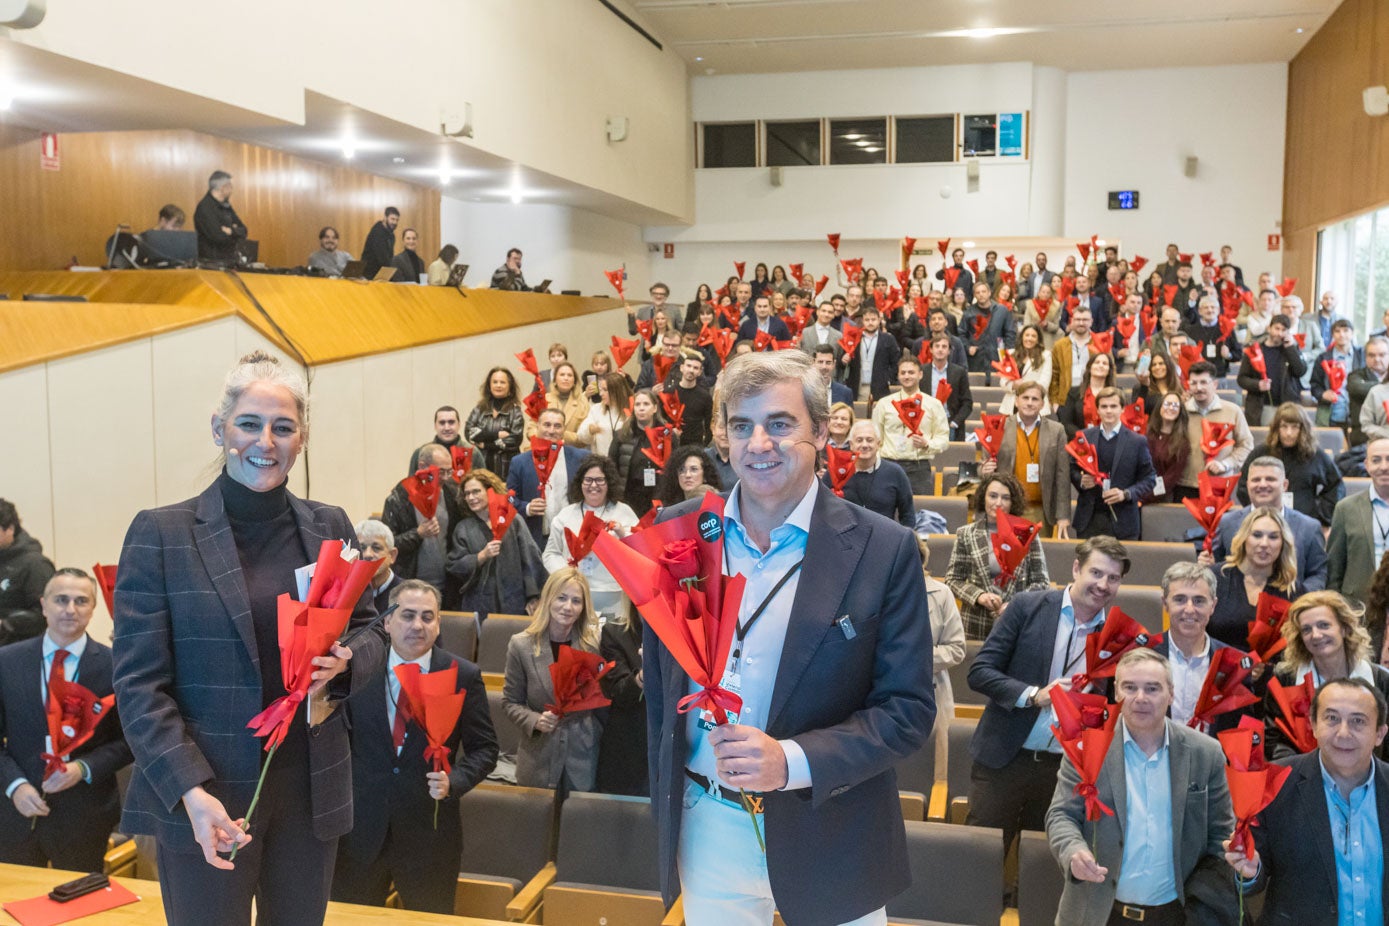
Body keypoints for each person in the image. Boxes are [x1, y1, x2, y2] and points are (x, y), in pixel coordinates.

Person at [644, 350, 935, 925]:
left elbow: (907, 711)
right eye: (741, 426)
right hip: (708, 829)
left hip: (832, 827)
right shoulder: (676, 533)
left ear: (822, 432)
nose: (759, 444)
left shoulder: (883, 548)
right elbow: (660, 679)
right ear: (722, 438)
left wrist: (790, 761)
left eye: (780, 424)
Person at [111, 351, 385, 926]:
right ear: (220, 428)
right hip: (206, 796)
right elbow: (139, 687)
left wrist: (345, 664)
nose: (266, 440)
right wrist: (190, 791)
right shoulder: (161, 534)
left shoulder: (328, 524)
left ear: (301, 438)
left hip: (310, 792)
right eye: (250, 424)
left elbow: (371, 630)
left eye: (283, 428)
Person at [332, 580, 497, 914]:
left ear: (438, 624)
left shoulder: (462, 675)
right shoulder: (357, 671)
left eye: (427, 617)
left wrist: (456, 781)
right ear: (388, 622)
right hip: (361, 833)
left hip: (430, 836)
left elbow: (485, 749)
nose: (417, 625)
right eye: (407, 615)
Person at [967, 537, 1130, 862]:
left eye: (1113, 578)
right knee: (980, 861)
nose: (1103, 585)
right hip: (1005, 758)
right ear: (1075, 568)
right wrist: (1033, 696)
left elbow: (1113, 707)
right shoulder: (1028, 607)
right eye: (1096, 573)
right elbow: (980, 671)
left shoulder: (1118, 636)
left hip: (1064, 770)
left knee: (1040, 867)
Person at [1046, 649, 1234, 926]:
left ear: (1171, 694)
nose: (1140, 698)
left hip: (1179, 915)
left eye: (1152, 688)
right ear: (1116, 692)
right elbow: (1060, 815)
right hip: (1098, 912)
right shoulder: (1086, 747)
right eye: (1129, 687)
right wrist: (1073, 850)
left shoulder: (1206, 753)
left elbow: (1221, 834)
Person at [1224, 677, 1389, 924]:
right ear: (1313, 725)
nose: (1343, 733)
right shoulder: (1274, 783)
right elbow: (1250, 878)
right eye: (1332, 718)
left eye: (1358, 721)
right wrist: (1248, 872)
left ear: (1380, 733)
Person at [0, 568, 132, 872]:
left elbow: (129, 741)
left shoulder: (116, 667)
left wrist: (83, 768)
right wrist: (15, 785)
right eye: (61, 600)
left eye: (81, 601)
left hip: (85, 814)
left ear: (93, 608)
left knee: (80, 906)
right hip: (16, 810)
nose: (70, 609)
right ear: (43, 605)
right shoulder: (7, 662)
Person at [503, 568, 605, 790]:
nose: (568, 607)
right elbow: (510, 703)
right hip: (538, 754)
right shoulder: (520, 645)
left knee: (576, 823)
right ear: (548, 598)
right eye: (561, 598)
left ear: (583, 607)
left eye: (576, 601)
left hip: (582, 755)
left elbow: (601, 703)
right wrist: (535, 720)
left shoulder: (593, 646)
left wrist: (593, 731)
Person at [1263, 591, 1389, 761]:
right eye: (1306, 629)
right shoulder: (1285, 679)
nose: (1315, 635)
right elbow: (1273, 739)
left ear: (1344, 628)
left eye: (1324, 625)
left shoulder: (1382, 681)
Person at [945, 471, 1051, 640]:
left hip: (1017, 622)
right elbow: (953, 580)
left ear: (1013, 502)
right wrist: (979, 596)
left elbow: (1042, 583)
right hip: (976, 624)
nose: (998, 503)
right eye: (993, 496)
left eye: (1005, 498)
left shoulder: (1027, 534)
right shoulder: (966, 534)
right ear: (983, 498)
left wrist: (1015, 604)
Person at [1151, 562, 1249, 732]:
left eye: (1199, 601)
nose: (1189, 609)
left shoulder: (1235, 665)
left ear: (1213, 605)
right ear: (1165, 603)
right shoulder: (1141, 656)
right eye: (1180, 599)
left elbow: (1242, 732)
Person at [541, 454, 639, 619]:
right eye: (588, 480)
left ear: (609, 483)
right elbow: (550, 553)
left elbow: (639, 552)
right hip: (574, 596)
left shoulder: (624, 513)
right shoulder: (565, 515)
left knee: (610, 642)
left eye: (600, 480)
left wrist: (622, 533)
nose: (594, 485)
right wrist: (566, 574)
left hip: (614, 595)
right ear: (580, 483)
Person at [446, 469, 544, 618]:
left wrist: (533, 596)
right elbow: (454, 566)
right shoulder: (463, 528)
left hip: (514, 601)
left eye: (476, 491)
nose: (471, 497)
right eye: (467, 494)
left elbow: (530, 559)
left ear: (490, 491)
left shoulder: (513, 520)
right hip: (479, 604)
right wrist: (480, 556)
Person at [981, 381, 1072, 537]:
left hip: (1041, 511)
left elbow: (1062, 476)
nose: (1030, 403)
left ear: (1043, 403)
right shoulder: (998, 427)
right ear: (1017, 401)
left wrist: (1063, 515)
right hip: (1006, 508)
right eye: (1025, 398)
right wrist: (983, 470)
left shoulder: (1056, 430)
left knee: (1036, 559)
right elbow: (984, 466)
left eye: (1035, 399)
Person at [1205, 506, 1299, 649]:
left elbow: (1295, 648)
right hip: (1215, 667)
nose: (1264, 544)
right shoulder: (1214, 577)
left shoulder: (1292, 589)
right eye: (1257, 535)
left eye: (1273, 537)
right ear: (1244, 538)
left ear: (1283, 543)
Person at [1237, 403, 1343, 527]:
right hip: (1265, 521)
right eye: (1284, 427)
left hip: (1304, 523)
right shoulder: (1260, 453)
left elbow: (1336, 486)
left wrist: (1321, 517)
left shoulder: (1314, 454)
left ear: (1303, 429)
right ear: (1277, 428)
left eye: (1294, 427)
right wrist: (1258, 509)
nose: (1289, 433)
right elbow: (1244, 486)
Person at [1071, 388, 1156, 541]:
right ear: (1097, 410)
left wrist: (1126, 494)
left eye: (1113, 406)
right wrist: (1082, 482)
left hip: (1123, 522)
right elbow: (1072, 469)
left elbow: (1149, 479)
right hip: (1089, 520)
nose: (1108, 411)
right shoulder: (1084, 437)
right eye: (1104, 407)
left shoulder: (1137, 441)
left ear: (1122, 409)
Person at [382, 443, 463, 599]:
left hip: (446, 585)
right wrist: (418, 534)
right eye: (441, 472)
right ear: (422, 466)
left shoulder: (451, 492)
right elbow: (388, 546)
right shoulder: (400, 497)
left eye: (449, 471)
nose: (446, 477)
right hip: (409, 584)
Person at [871, 354, 948, 496]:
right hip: (889, 464)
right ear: (898, 376)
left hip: (919, 467)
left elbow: (943, 439)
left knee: (921, 513)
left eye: (911, 372)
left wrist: (927, 443)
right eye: (903, 373)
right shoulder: (884, 404)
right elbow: (875, 437)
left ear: (920, 374)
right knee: (885, 514)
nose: (907, 376)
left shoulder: (933, 404)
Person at [1178, 362, 1254, 499]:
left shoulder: (1232, 411)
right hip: (1186, 484)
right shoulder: (1181, 412)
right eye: (1194, 383)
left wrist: (1226, 464)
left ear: (1215, 384)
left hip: (1220, 482)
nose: (1198, 388)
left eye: (1203, 382)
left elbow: (1246, 444)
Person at [1328, 437, 1389, 607]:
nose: (1384, 467)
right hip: (1357, 608)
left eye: (1388, 459)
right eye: (1376, 460)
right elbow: (1334, 570)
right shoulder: (1345, 509)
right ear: (1367, 465)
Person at [596, 596, 647, 797]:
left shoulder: (683, 634)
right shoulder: (615, 633)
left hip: (668, 750)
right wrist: (643, 677)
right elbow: (618, 693)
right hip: (627, 747)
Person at [923, 543, 965, 778]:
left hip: (933, 690)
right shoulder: (880, 589)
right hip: (883, 693)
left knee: (935, 769)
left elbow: (957, 649)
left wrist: (916, 659)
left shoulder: (941, 593)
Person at [829, 421, 915, 528]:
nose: (864, 445)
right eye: (859, 440)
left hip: (884, 539)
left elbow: (908, 515)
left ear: (878, 444)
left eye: (869, 440)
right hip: (844, 540)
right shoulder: (835, 472)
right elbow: (821, 509)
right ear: (851, 445)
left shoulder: (895, 473)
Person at [0, 499, 54, 646]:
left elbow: (45, 614)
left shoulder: (35, 564)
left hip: (20, 652)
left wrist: (5, 624)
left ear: (9, 529)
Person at [1238, 314, 1307, 427]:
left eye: (1284, 330)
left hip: (1286, 405)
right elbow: (1241, 379)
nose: (1279, 333)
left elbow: (1300, 371)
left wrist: (1290, 348)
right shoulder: (1255, 350)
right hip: (1261, 405)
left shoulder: (1291, 349)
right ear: (1269, 328)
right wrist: (1257, 384)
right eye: (1277, 328)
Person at [611, 389, 669, 518]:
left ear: (655, 408)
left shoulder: (667, 435)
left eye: (646, 404)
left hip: (657, 495)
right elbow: (611, 466)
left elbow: (674, 467)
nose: (641, 408)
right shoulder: (622, 435)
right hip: (629, 496)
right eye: (637, 405)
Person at [465, 367, 525, 478]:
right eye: (495, 382)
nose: (498, 385)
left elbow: (515, 439)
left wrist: (486, 444)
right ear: (489, 386)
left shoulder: (515, 411)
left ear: (509, 387)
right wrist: (497, 434)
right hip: (481, 469)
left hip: (507, 470)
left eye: (502, 382)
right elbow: (469, 433)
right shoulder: (479, 409)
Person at [1312, 318, 1362, 432]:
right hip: (1331, 413)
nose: (1341, 335)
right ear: (1332, 335)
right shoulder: (1323, 358)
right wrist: (1323, 394)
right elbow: (1314, 385)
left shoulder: (1361, 356)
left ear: (1352, 333)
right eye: (1337, 331)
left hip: (1356, 414)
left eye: (1345, 331)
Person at [1143, 392, 1191, 503]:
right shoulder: (1148, 434)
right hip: (1141, 491)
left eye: (1175, 405)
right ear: (1159, 407)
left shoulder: (1182, 443)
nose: (1170, 408)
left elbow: (1171, 478)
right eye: (1167, 404)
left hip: (1162, 497)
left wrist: (1146, 496)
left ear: (1180, 411)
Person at [1057, 348, 1113, 440]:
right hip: (1081, 442)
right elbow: (1066, 422)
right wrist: (1084, 436)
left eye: (1104, 363)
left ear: (1109, 370)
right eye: (1097, 362)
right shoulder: (1074, 392)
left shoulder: (1116, 393)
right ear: (1090, 367)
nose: (1100, 365)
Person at [997, 324, 1052, 416]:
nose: (1029, 339)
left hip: (1035, 405)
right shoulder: (1010, 354)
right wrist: (1013, 385)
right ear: (1022, 337)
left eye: (1033, 336)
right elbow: (1003, 382)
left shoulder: (1045, 356)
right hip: (1012, 405)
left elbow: (1045, 383)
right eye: (1027, 335)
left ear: (1038, 339)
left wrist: (1023, 386)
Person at [193, 170, 247, 263]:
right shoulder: (205, 208)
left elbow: (244, 231)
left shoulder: (226, 206)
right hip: (211, 264)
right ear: (223, 188)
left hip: (229, 260)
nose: (232, 190)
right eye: (230, 186)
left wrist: (230, 231)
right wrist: (235, 232)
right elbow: (218, 237)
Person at [960, 281, 1015, 373]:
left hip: (997, 358)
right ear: (974, 295)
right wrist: (967, 347)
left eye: (983, 292)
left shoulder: (1002, 310)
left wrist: (1007, 353)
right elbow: (961, 333)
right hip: (976, 359)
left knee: (997, 385)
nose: (981, 295)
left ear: (989, 293)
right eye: (978, 293)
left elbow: (1010, 333)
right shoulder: (968, 313)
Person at [1048, 305, 1095, 409]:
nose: (1081, 323)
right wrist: (1055, 401)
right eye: (1078, 319)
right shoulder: (1059, 345)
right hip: (1065, 398)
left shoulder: (1100, 343)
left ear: (1091, 321)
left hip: (1091, 397)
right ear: (1071, 321)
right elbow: (1054, 375)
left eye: (1085, 320)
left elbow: (1110, 371)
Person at [354, 519, 401, 615]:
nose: (368, 554)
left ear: (392, 555)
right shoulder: (346, 592)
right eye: (361, 548)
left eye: (376, 548)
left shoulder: (406, 592)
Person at [1350, 336, 1389, 447]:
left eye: (1382, 355)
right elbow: (1358, 389)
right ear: (1365, 357)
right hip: (1364, 440)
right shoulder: (1355, 376)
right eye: (1372, 355)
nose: (1377, 359)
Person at [655, 445, 723, 507]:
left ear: (705, 475)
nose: (687, 475)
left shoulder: (715, 502)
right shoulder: (668, 507)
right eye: (682, 470)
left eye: (694, 469)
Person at [407, 405, 469, 474]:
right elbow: (411, 483)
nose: (447, 428)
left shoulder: (473, 453)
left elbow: (482, 482)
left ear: (459, 424)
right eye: (442, 423)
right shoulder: (420, 453)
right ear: (435, 426)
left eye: (451, 422)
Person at [539, 361, 589, 446]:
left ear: (574, 381)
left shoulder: (583, 401)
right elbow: (532, 428)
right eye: (562, 375)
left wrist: (559, 433)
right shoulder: (544, 399)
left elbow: (585, 436)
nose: (566, 378)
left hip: (572, 452)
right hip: (544, 450)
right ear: (555, 380)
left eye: (569, 375)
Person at [671, 351, 715, 447]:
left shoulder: (705, 397)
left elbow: (709, 426)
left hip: (694, 446)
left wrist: (703, 445)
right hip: (670, 443)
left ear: (700, 372)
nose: (691, 370)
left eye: (695, 368)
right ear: (681, 368)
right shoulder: (669, 392)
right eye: (688, 366)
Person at [361, 207, 399, 280]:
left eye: (397, 220)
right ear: (385, 217)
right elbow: (382, 257)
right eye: (392, 219)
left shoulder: (391, 235)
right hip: (370, 275)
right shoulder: (377, 232)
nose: (395, 222)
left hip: (380, 275)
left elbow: (389, 257)